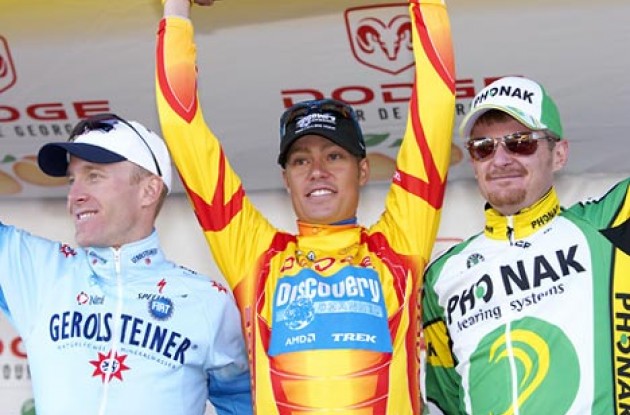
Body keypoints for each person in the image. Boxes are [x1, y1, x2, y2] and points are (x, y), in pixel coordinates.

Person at [155, 0, 455, 414]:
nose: (317, 171)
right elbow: (183, 133)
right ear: (286, 178)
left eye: (334, 156)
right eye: (300, 160)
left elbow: (436, 106)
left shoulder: (400, 243)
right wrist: (176, 12)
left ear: (362, 170)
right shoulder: (256, 257)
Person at [0, 113, 252, 415]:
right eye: (72, 180)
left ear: (148, 190)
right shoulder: (36, 270)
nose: (74, 196)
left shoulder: (207, 302)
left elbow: (247, 404)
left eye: (93, 176)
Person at [422, 76, 630, 414]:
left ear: (559, 153)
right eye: (483, 147)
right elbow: (447, 400)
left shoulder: (607, 224)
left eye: (520, 142)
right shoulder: (441, 277)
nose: (501, 159)